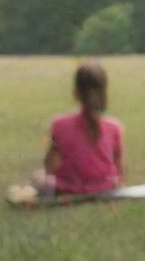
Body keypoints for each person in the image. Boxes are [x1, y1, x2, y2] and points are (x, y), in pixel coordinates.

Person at [31, 61, 124, 197]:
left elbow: (49, 166)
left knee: (37, 177)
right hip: (106, 187)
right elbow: (119, 170)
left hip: (68, 188)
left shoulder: (59, 124)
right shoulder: (115, 127)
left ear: (75, 93)